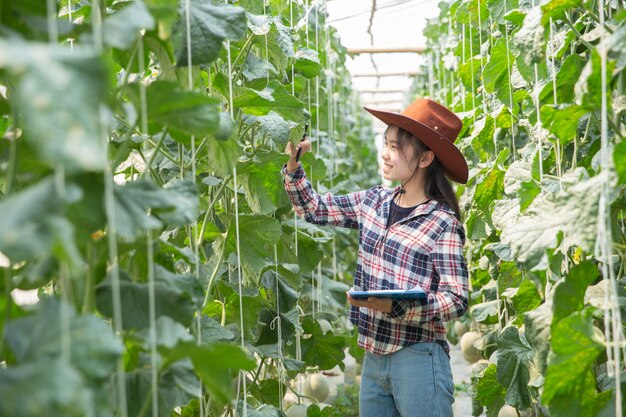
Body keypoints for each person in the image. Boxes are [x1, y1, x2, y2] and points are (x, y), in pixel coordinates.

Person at [281, 98, 469, 417]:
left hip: (419, 358)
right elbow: (314, 209)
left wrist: (401, 308)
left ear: (425, 158)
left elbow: (457, 298)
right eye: (386, 143)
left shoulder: (442, 221)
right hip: (373, 356)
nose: (385, 153)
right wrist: (293, 166)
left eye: (395, 147)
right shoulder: (373, 201)